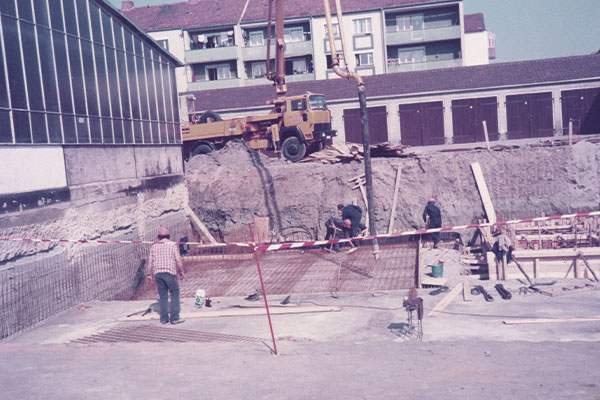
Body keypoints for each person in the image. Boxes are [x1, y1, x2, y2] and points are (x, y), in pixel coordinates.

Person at [147, 227, 185, 325]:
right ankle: (175, 318)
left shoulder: (154, 246)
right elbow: (178, 259)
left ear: (158, 237)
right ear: (168, 236)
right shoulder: (172, 245)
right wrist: (181, 271)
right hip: (170, 273)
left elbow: (150, 262)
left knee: (163, 296)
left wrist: (148, 274)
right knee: (175, 294)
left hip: (158, 274)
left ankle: (164, 319)